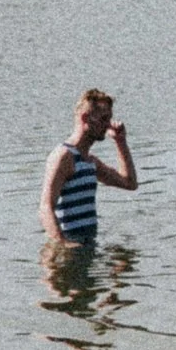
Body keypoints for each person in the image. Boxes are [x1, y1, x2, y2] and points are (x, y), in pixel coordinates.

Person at [38, 88, 137, 245]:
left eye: (109, 118)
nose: (108, 125)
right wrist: (63, 244)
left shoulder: (89, 161)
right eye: (104, 119)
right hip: (68, 246)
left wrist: (120, 142)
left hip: (87, 243)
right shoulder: (64, 157)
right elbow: (46, 207)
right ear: (85, 118)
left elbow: (129, 183)